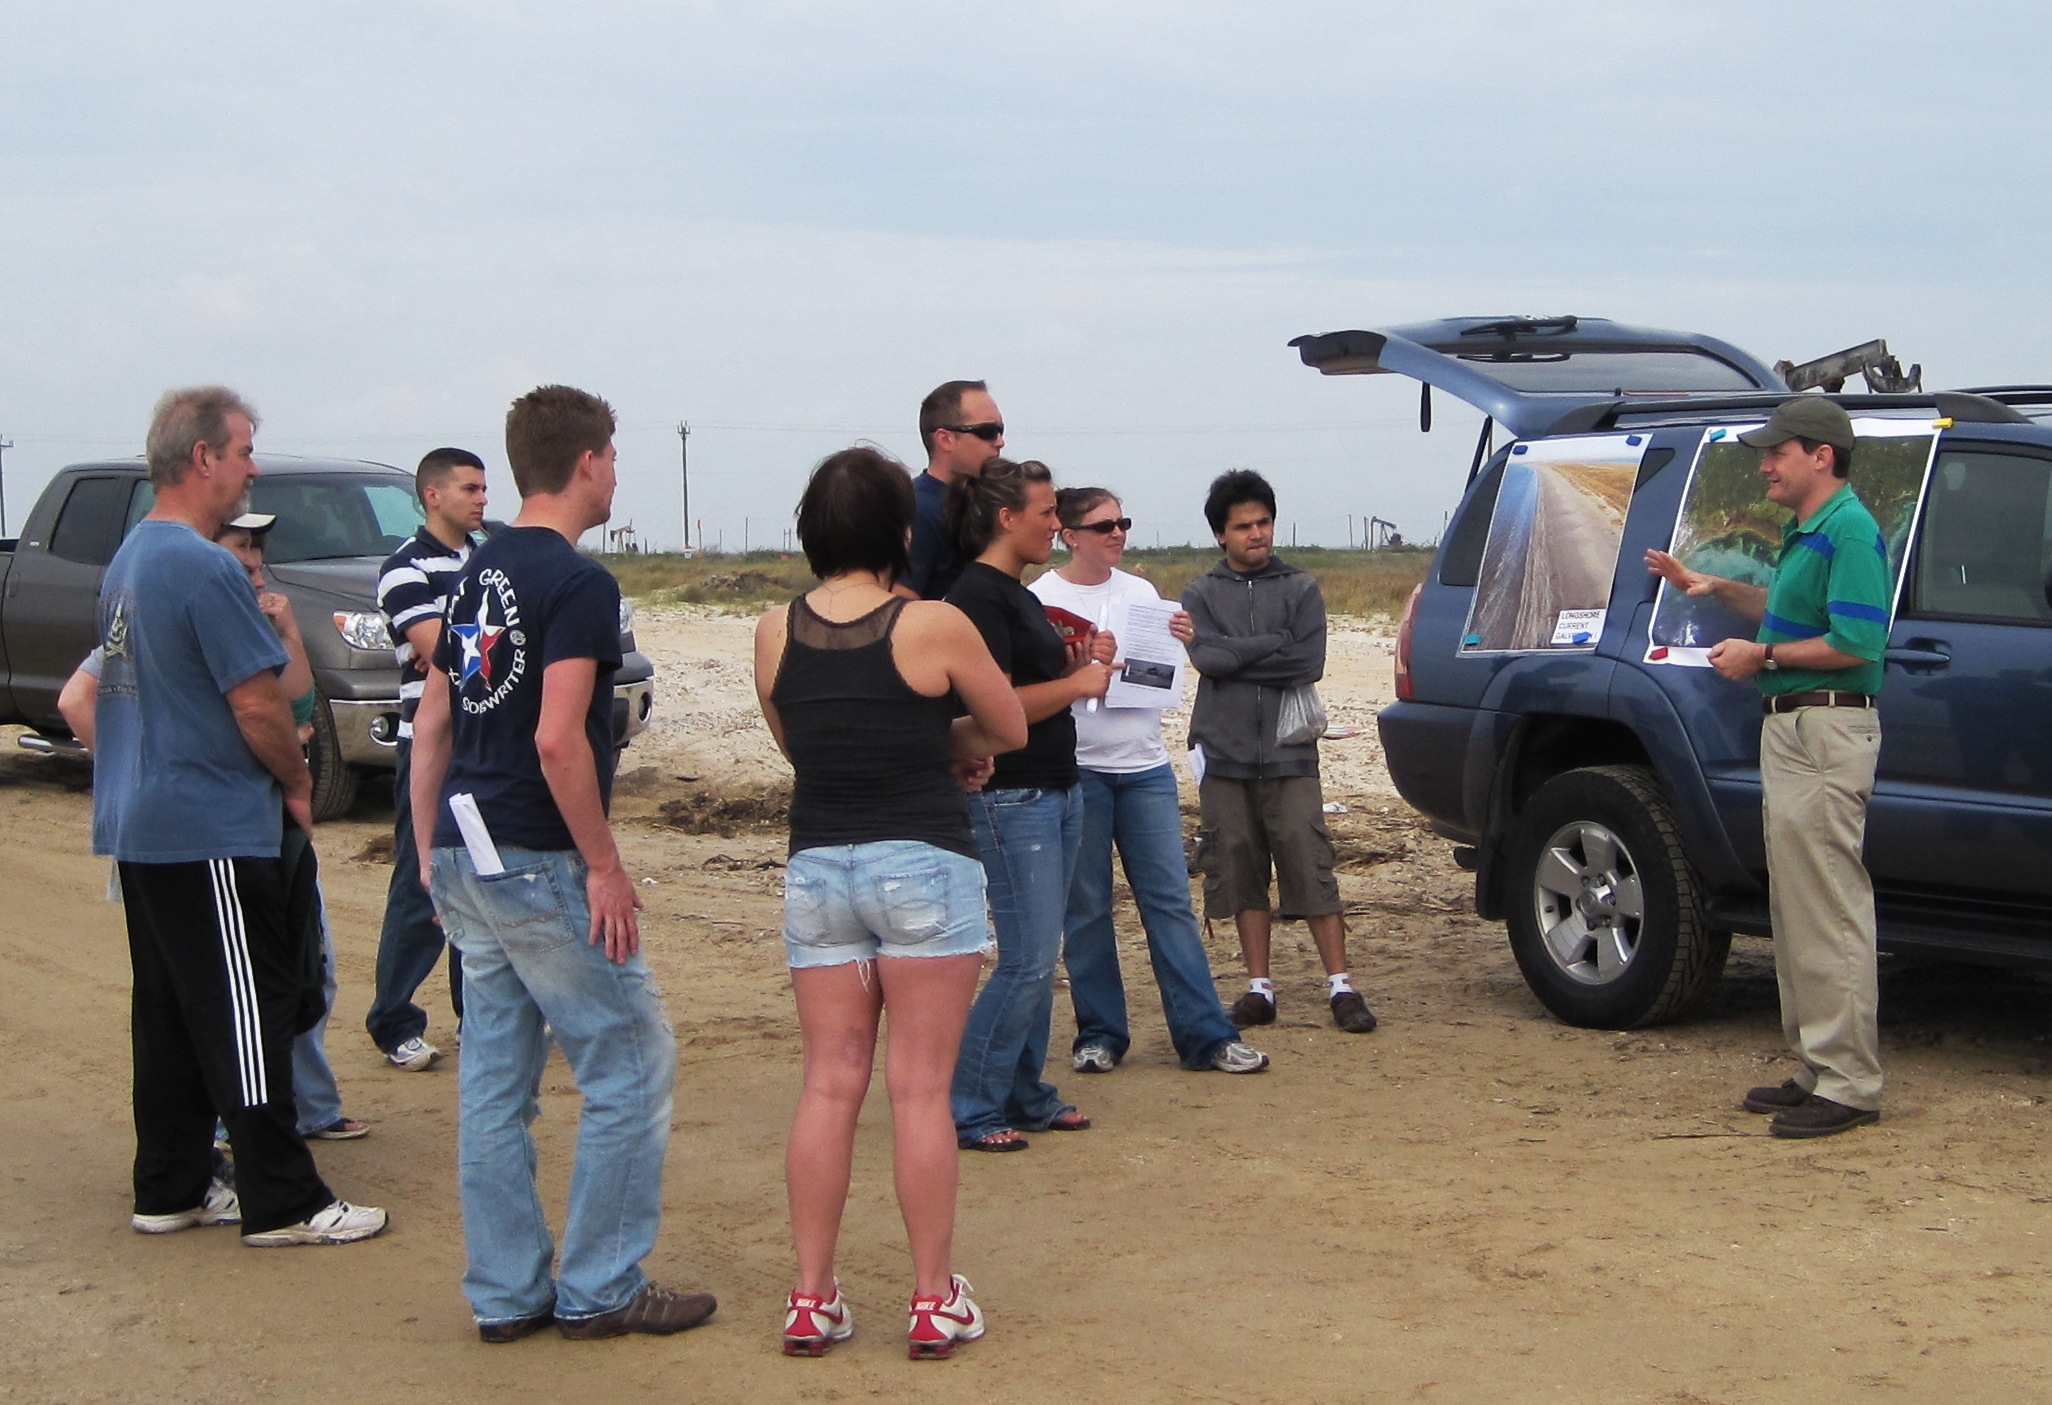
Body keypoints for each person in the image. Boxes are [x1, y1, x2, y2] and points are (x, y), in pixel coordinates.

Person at [410, 384, 715, 1343]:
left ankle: (506, 1292)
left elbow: (433, 725)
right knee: (629, 1059)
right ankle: (601, 1284)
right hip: (538, 853)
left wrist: (428, 852)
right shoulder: (580, 585)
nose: (617, 473)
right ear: (587, 461)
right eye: (615, 457)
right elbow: (557, 737)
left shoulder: (472, 572)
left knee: (496, 1084)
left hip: (468, 847)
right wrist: (605, 866)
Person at [92, 385, 385, 1247]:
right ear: (203, 458)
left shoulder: (131, 557)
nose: (253, 466)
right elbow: (258, 703)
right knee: (248, 1010)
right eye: (245, 449)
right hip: (207, 823)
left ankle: (172, 1183)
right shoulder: (200, 563)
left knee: (174, 1013)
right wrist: (297, 781)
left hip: (144, 824)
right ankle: (283, 1198)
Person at [753, 447, 1025, 1358]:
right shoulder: (933, 622)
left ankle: (810, 1294)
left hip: (819, 863)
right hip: (922, 859)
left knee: (829, 1083)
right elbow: (1010, 725)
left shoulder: (772, 628)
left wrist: (923, 742)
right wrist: (951, 743)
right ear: (899, 532)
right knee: (919, 1091)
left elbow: (805, 746)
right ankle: (931, 1296)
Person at [61, 510, 369, 1143]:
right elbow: (78, 698)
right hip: (202, 833)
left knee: (303, 973)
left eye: (258, 555)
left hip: (263, 834)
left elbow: (298, 703)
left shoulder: (251, 617)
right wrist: (136, 765)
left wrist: (285, 630)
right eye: (240, 552)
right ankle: (241, 1147)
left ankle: (301, 1108)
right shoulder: (172, 608)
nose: (254, 566)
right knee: (217, 996)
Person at [1646, 397, 1889, 1139]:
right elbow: (1790, 610)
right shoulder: (1805, 532)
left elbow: (1857, 641)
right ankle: (1818, 1066)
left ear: (1821, 455)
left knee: (1829, 906)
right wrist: (1713, 588)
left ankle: (1850, 1081)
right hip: (1793, 731)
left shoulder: (1850, 530)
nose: (1764, 464)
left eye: (1777, 451)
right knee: (1796, 903)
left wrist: (1764, 657)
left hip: (1825, 727)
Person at [1028, 488, 1270, 1075]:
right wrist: (1081, 662)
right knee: (1086, 907)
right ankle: (1102, 1033)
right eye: (1104, 524)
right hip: (1079, 767)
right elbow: (1034, 683)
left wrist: (1179, 640)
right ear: (1070, 534)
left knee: (1169, 903)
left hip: (1143, 768)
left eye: (1123, 522)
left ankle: (1205, 1035)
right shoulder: (1038, 599)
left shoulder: (1141, 594)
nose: (1117, 533)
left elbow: (1159, 676)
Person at [944, 457, 1113, 1152]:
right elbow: (1000, 706)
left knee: (1041, 956)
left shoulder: (1013, 594)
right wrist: (1080, 685)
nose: (1055, 524)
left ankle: (1025, 1092)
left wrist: (1078, 665)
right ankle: (971, 1104)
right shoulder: (978, 598)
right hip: (1013, 795)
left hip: (1055, 787)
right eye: (1046, 512)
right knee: (1025, 958)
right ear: (1006, 518)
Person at [1182, 470, 1377, 1035]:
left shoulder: (1301, 588)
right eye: (1243, 526)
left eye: (1263, 522)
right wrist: (1272, 644)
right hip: (1223, 755)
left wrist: (1236, 653)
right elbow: (1207, 662)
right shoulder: (1200, 593)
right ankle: (1258, 988)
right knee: (1239, 868)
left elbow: (1307, 664)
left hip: (1291, 755)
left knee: (1309, 864)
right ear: (1222, 534)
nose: (1256, 534)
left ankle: (1341, 985)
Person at [365, 446, 489, 1072]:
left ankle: (479, 1019)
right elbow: (446, 652)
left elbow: (469, 648)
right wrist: (465, 643)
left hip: (486, 744)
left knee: (483, 880)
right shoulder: (402, 569)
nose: (482, 499)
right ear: (433, 495)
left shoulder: (490, 559)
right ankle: (394, 1019)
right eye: (470, 488)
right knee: (424, 881)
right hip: (430, 743)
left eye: (484, 488)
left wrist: (457, 643)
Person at [902, 380, 1005, 601]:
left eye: (1000, 430)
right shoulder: (918, 509)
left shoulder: (989, 506)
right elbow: (901, 608)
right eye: (987, 431)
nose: (1000, 442)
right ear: (945, 439)